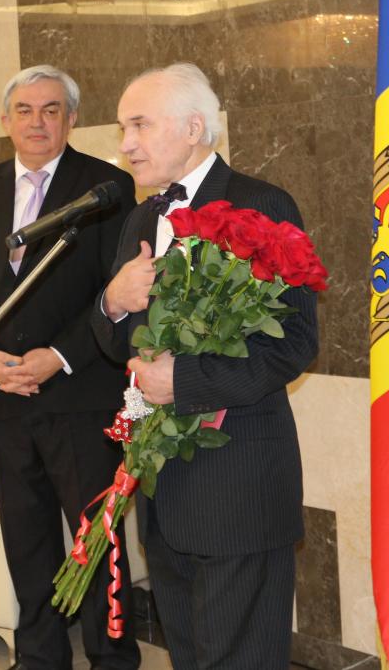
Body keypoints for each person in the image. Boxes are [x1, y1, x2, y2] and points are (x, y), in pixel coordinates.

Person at [93, 63, 319, 669]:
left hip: (238, 486)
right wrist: (113, 301)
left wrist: (182, 382)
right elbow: (115, 344)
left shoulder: (261, 205)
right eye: (122, 128)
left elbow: (294, 342)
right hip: (164, 491)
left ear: (194, 128)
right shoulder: (141, 218)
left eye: (139, 125)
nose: (126, 144)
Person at [0, 65, 138, 670]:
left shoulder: (106, 187)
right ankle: (40, 658)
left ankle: (112, 659)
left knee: (96, 543)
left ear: (72, 119)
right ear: (5, 121)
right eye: (24, 110)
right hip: (5, 399)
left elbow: (116, 294)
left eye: (51, 110)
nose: (37, 122)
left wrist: (58, 357)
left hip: (80, 395)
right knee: (26, 544)